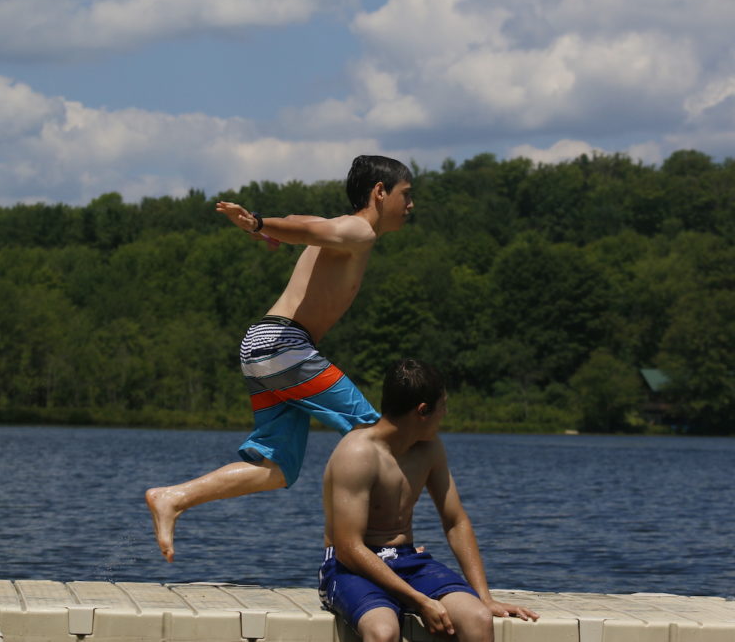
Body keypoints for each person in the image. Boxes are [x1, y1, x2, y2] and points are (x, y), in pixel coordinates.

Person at [146, 155, 415, 563]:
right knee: (376, 434)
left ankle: (174, 497)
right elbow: (308, 228)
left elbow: (298, 222)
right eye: (405, 195)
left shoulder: (339, 228)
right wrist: (258, 224)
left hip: (263, 347)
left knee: (278, 469)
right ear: (380, 192)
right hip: (284, 346)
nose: (410, 205)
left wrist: (268, 229)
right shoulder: (357, 230)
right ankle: (382, 544)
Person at [319, 359, 539, 642]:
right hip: (350, 568)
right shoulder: (357, 453)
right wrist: (419, 600)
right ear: (423, 410)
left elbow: (455, 521)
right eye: (443, 405)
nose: (445, 413)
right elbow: (348, 549)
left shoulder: (429, 448)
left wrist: (484, 597)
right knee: (384, 632)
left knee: (478, 618)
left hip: (406, 560)